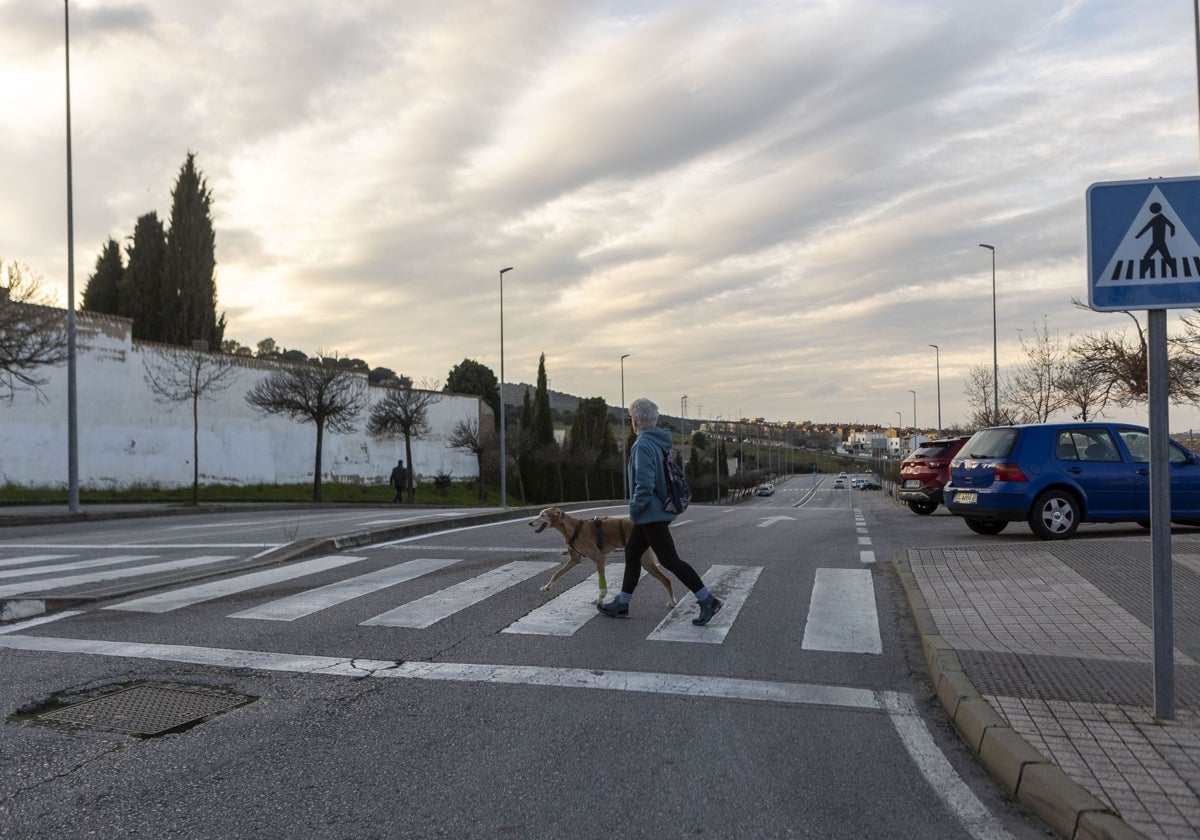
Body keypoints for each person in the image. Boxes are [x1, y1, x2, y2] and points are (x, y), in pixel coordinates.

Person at [598, 397, 722, 625]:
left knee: (669, 560)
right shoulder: (658, 442)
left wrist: (634, 510)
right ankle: (622, 603)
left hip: (650, 514)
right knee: (632, 553)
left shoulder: (643, 445)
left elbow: (644, 485)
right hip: (654, 512)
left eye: (630, 418)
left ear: (635, 420)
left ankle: (708, 600)